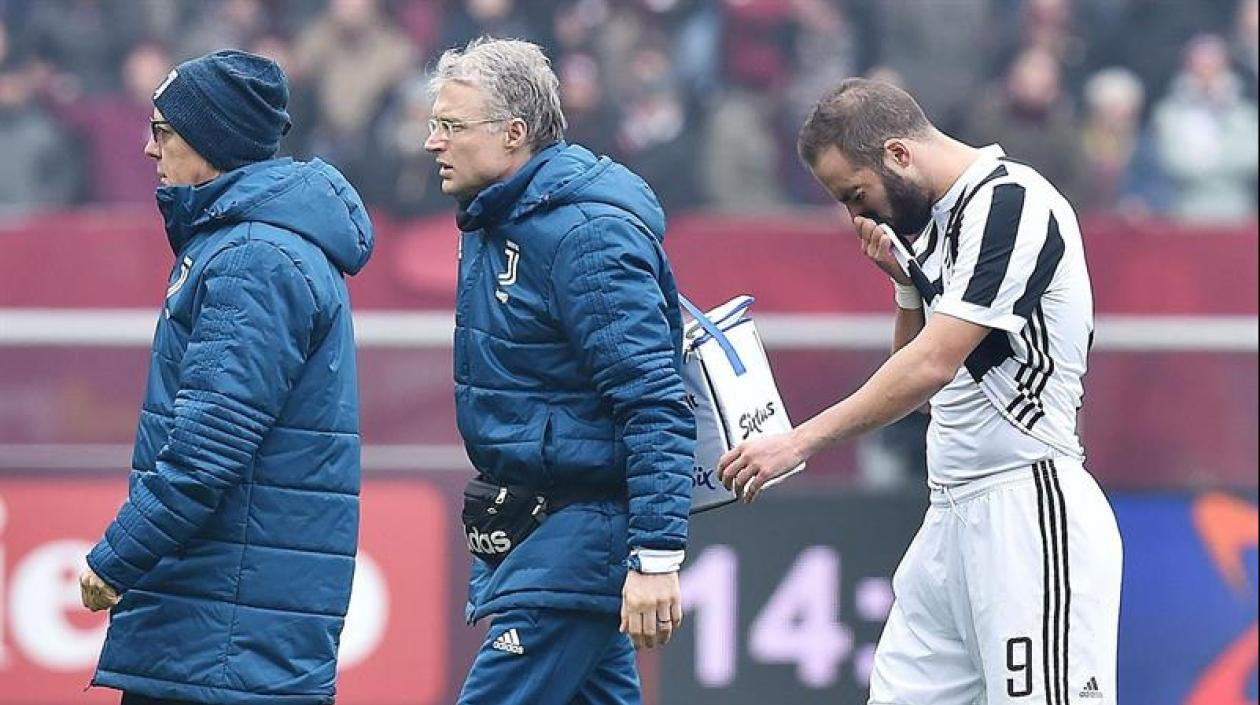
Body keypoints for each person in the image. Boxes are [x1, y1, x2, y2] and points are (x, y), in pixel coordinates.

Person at [718, 78, 1122, 705]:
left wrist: (798, 441)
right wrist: (907, 288)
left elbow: (933, 365)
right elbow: (925, 389)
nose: (856, 217)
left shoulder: (1010, 202)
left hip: (1027, 503)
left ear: (899, 155)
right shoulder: (931, 225)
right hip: (951, 513)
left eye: (856, 195)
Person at [77, 50, 374, 705]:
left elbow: (207, 448)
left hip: (223, 640)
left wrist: (117, 557)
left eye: (163, 131)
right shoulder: (249, 244)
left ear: (211, 141)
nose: (148, 149)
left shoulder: (252, 259)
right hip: (222, 630)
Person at [423, 36, 695, 705]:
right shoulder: (500, 218)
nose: (432, 141)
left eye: (450, 126)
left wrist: (656, 555)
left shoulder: (585, 235)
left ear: (514, 134)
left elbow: (654, 399)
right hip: (539, 531)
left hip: (577, 537)